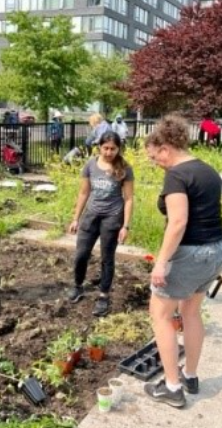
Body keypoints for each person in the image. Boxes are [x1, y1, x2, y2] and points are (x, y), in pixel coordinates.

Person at [142, 115, 222, 408]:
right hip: (217, 249)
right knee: (191, 313)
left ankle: (172, 387)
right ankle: (190, 375)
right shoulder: (208, 170)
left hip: (191, 252)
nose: (156, 163)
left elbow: (178, 222)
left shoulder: (177, 175)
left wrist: (161, 262)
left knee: (160, 315)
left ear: (165, 147)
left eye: (155, 157)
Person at [68, 131, 134, 317]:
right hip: (91, 216)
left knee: (107, 257)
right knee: (81, 254)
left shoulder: (125, 168)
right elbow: (83, 193)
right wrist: (75, 218)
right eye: (105, 148)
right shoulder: (90, 164)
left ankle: (104, 296)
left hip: (112, 218)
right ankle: (78, 285)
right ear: (99, 147)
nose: (109, 152)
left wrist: (125, 226)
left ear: (118, 148)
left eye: (113, 148)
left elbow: (128, 198)